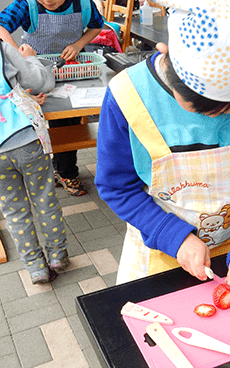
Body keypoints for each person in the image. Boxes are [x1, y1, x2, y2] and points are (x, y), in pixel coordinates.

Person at [95, 0, 230, 294]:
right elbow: (117, 187)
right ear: (167, 51)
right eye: (199, 106)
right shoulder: (128, 96)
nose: (218, 117)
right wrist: (174, 236)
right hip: (159, 247)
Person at [0, 0, 105, 196]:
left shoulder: (83, 4)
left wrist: (79, 44)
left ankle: (66, 172)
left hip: (69, 71)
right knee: (29, 123)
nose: (49, 1)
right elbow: (1, 25)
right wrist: (18, 55)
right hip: (34, 73)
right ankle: (28, 174)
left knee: (67, 120)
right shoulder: (27, 5)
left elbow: (97, 25)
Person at [0, 40, 70, 284]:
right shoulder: (3, 48)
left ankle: (36, 268)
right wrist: (30, 58)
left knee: (14, 211)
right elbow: (41, 82)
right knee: (44, 199)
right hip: (26, 139)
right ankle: (58, 256)